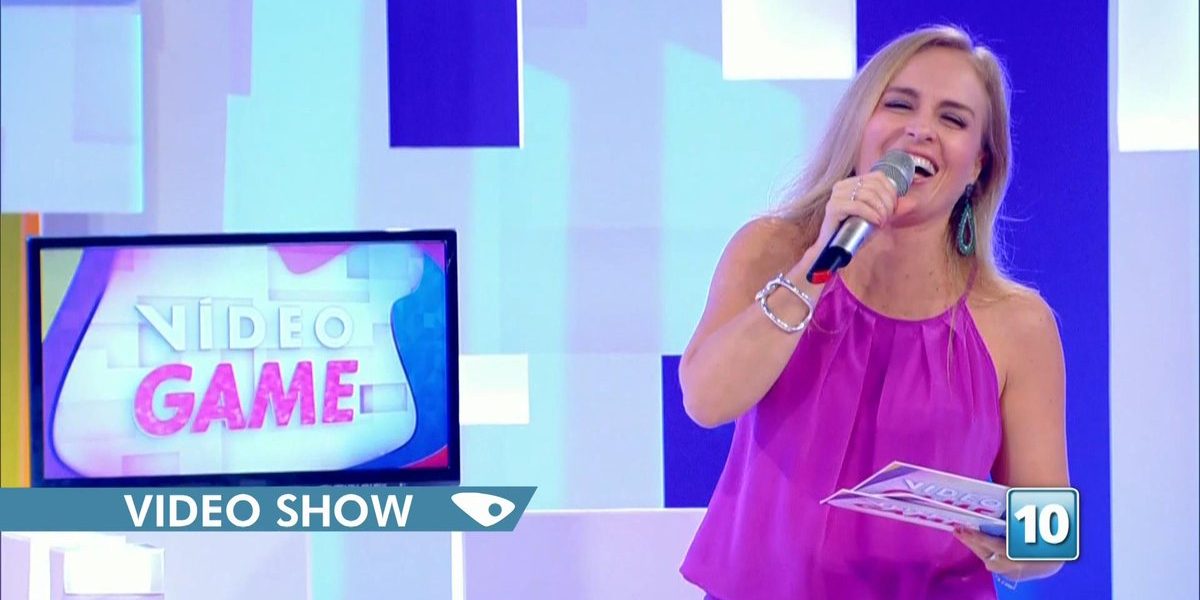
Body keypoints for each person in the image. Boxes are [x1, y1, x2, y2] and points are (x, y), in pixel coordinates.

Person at [678, 25, 1069, 599]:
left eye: (952, 119)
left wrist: (1020, 549)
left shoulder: (1019, 324)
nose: (921, 129)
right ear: (860, 126)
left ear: (978, 167)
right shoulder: (770, 251)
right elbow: (706, 400)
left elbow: (1051, 533)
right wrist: (818, 262)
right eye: (900, 104)